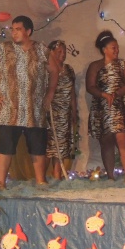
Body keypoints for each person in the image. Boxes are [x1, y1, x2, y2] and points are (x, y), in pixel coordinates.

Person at [0, 15, 59, 189]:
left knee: (37, 146)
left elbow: (54, 71)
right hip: (10, 108)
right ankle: (1, 183)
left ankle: (41, 181)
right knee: (6, 145)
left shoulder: (41, 50)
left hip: (34, 108)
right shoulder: (3, 49)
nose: (13, 33)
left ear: (28, 31)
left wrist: (50, 93)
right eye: (12, 29)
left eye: (18, 29)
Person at [86, 30, 125, 181]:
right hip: (103, 108)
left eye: (117, 47)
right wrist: (104, 94)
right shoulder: (95, 65)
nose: (117, 50)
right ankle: (111, 177)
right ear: (104, 49)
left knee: (123, 140)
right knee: (106, 142)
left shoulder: (123, 64)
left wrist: (118, 93)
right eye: (113, 47)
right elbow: (90, 86)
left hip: (120, 107)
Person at [45, 40, 77, 180]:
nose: (62, 54)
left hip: (65, 112)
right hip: (51, 111)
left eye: (64, 52)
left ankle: (58, 172)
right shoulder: (46, 69)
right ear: (51, 52)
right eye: (59, 52)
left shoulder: (69, 69)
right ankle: (46, 175)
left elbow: (72, 92)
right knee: (51, 143)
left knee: (63, 142)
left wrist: (74, 110)